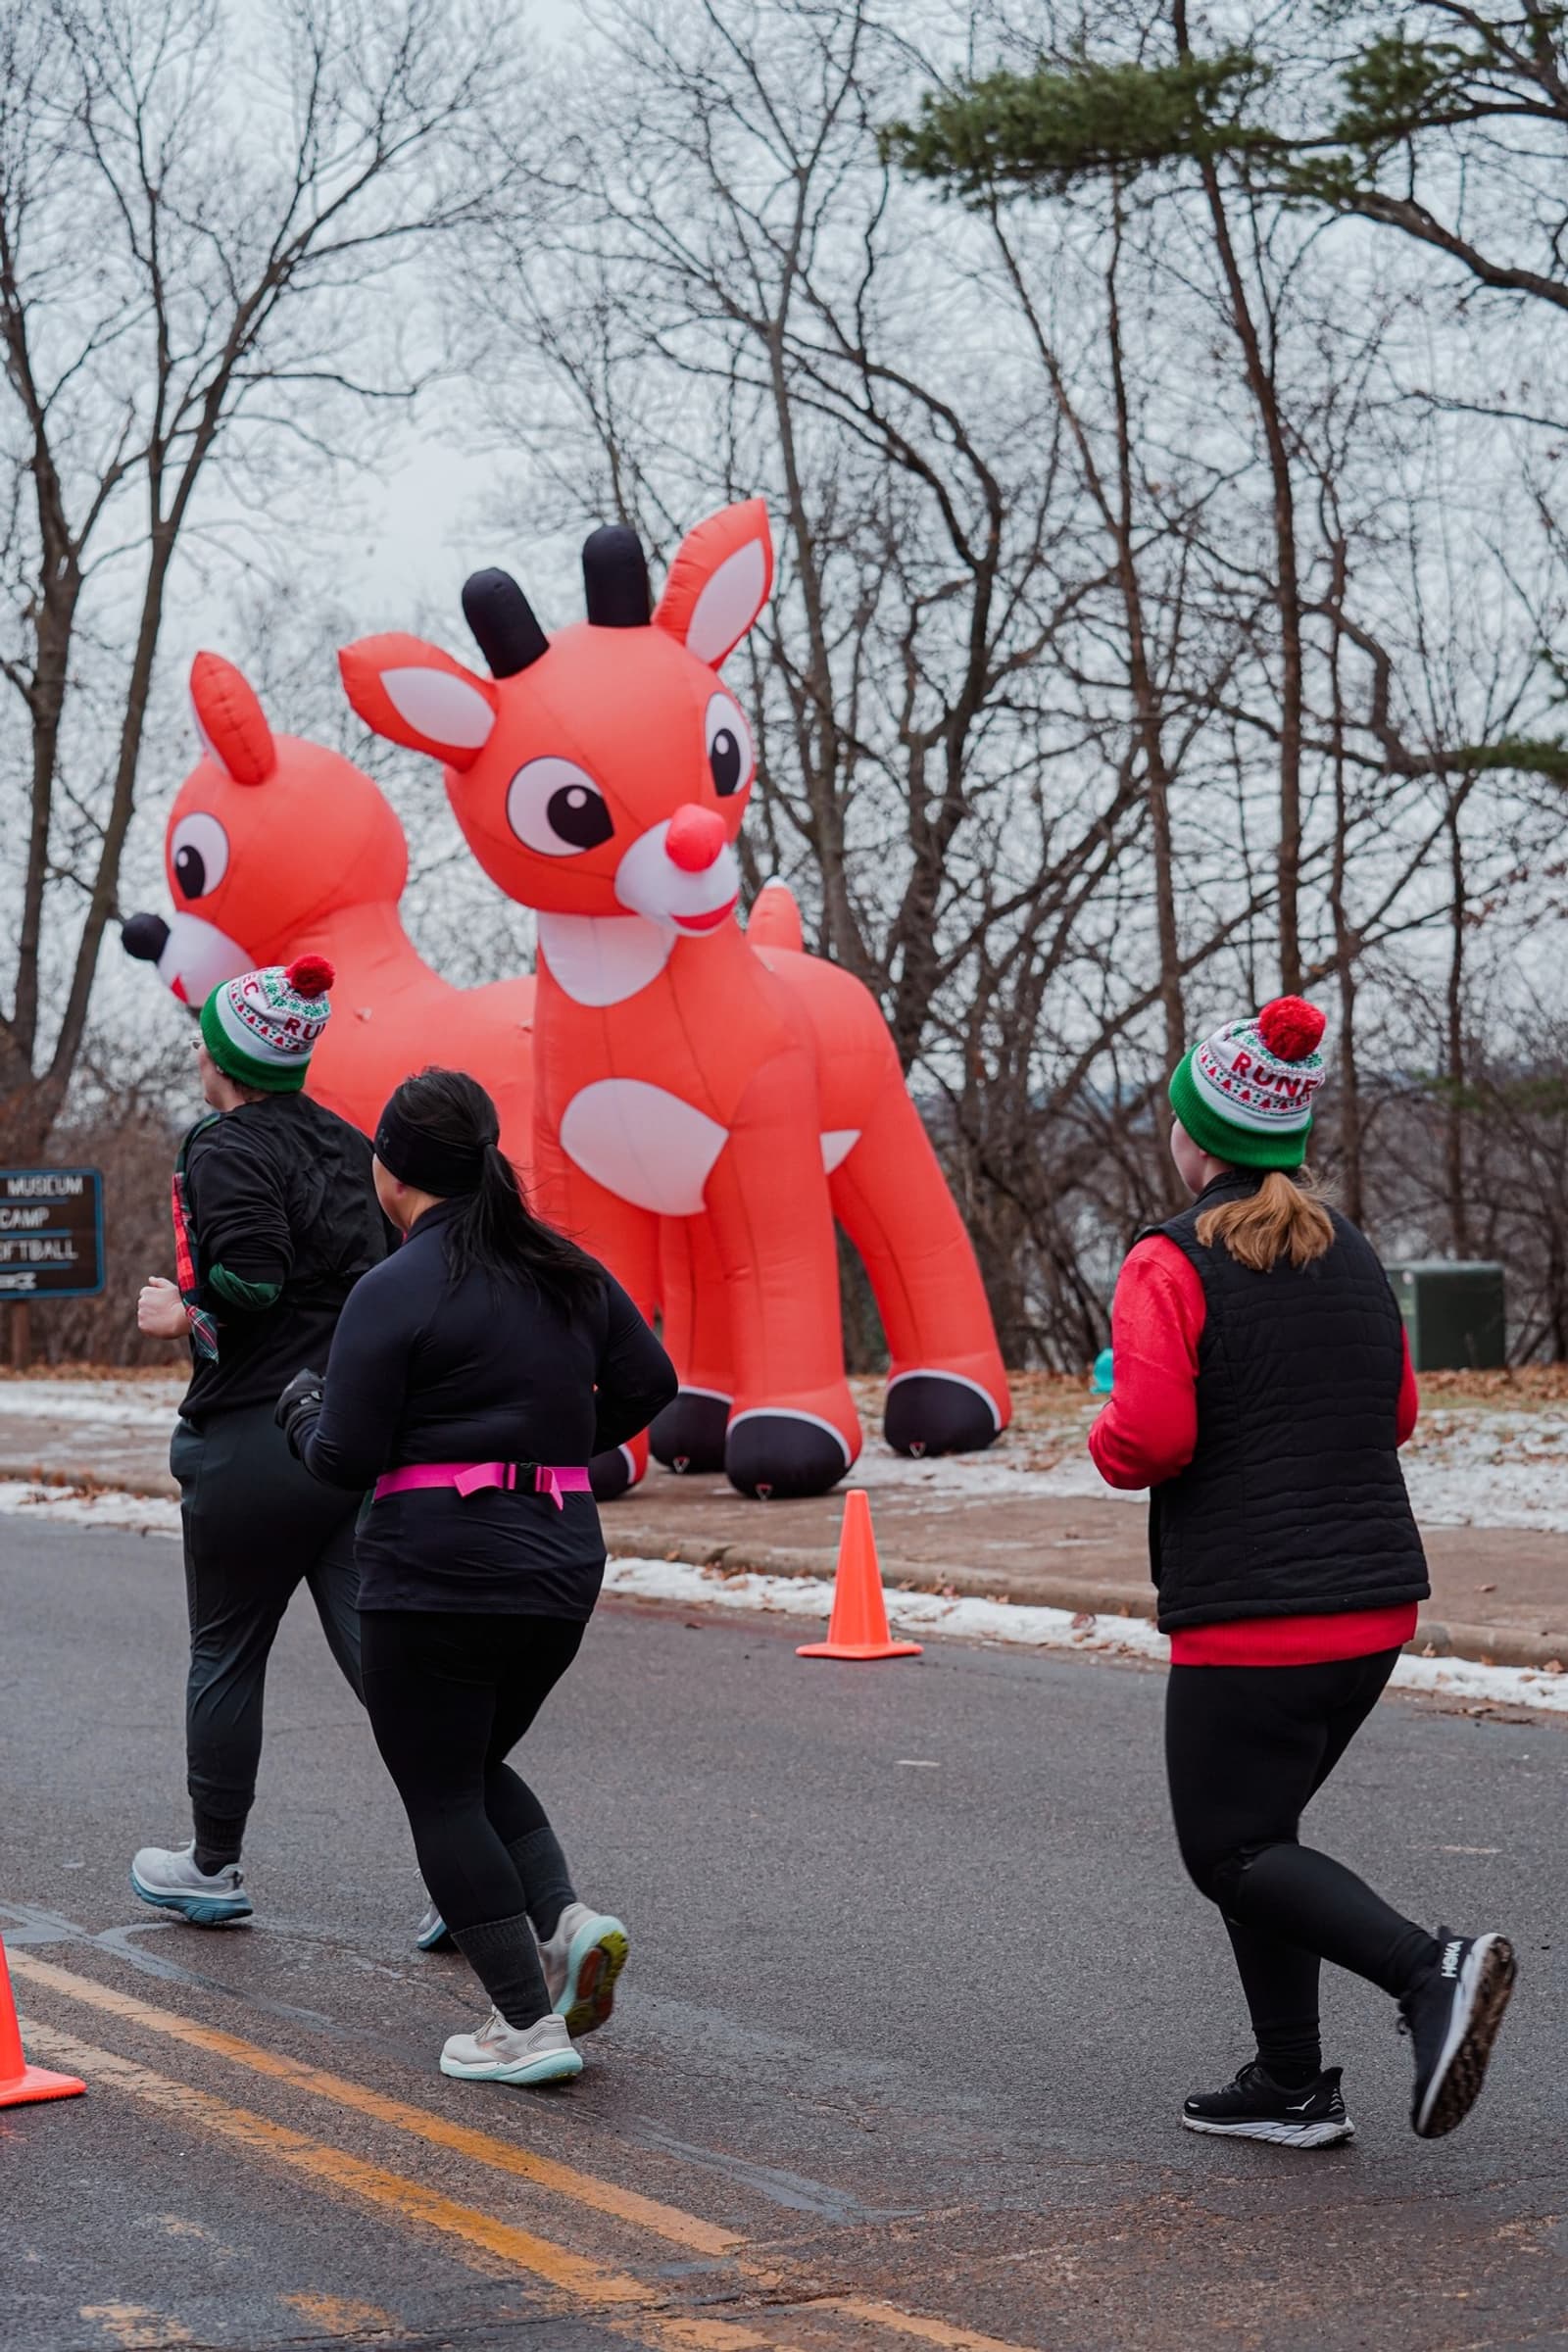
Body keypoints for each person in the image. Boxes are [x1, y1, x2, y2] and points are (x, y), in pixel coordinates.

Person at [1090, 994, 1515, 2149]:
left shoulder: (1165, 1261)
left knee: (1227, 1848)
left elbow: (1150, 1440)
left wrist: (1102, 1425)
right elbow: (1401, 1413)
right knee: (1261, 1838)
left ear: (1194, 1135)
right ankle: (1288, 2082)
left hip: (1254, 1614)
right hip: (1373, 1606)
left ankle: (1431, 1970)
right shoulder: (1355, 1251)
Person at [275, 1067, 677, 2086]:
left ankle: (525, 2027)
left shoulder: (394, 1288)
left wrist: (299, 1410)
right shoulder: (564, 1268)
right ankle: (567, 1922)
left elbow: (343, 1458)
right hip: (557, 1564)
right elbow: (651, 1383)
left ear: (393, 1171)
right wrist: (552, 1448)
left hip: (435, 1570)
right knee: (469, 1768)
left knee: (441, 1792)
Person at [131, 956, 389, 1925]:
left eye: (207, 1039)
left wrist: (183, 1311)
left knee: (227, 1653)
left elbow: (253, 1281)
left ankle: (211, 1867)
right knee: (390, 1668)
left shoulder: (221, 1146)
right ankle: (477, 1862)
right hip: (350, 1437)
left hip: (252, 1439)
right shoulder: (353, 1147)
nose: (199, 1052)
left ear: (226, 1057)